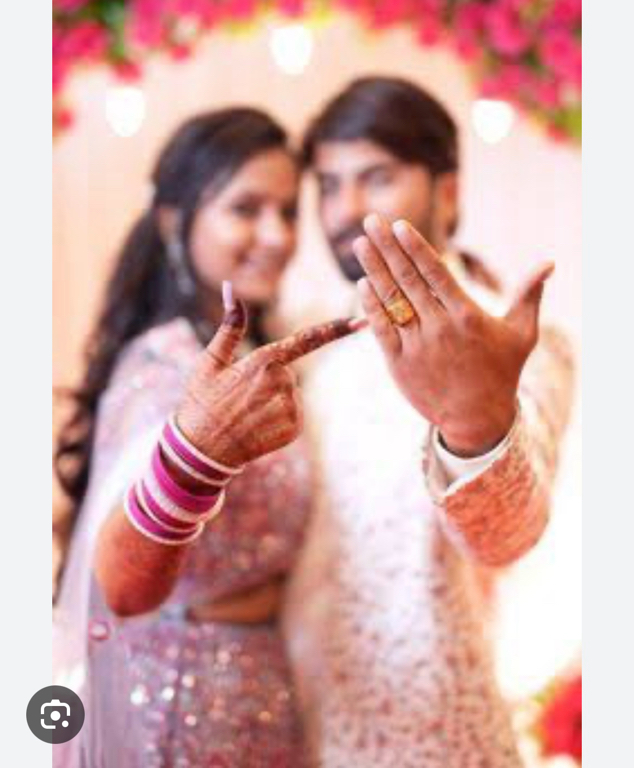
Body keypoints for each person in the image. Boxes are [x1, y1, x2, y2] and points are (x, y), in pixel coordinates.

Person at [53, 107, 361, 768]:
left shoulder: (262, 353)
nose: (277, 236)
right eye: (246, 209)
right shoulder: (163, 367)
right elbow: (118, 585)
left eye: (288, 211)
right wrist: (195, 455)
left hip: (265, 688)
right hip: (175, 699)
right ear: (174, 220)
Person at [282, 76, 575, 767]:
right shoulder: (310, 337)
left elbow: (507, 532)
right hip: (296, 727)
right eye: (329, 184)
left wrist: (474, 422)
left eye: (377, 177)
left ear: (448, 192)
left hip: (436, 738)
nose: (345, 209)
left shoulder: (511, 338)